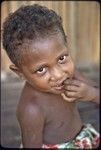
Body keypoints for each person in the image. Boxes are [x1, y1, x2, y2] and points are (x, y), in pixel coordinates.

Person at [2, 4, 99, 148]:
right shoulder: (32, 109)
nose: (59, 74)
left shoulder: (70, 73)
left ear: (66, 43)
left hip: (83, 139)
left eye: (61, 58)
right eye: (41, 69)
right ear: (20, 73)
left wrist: (90, 94)